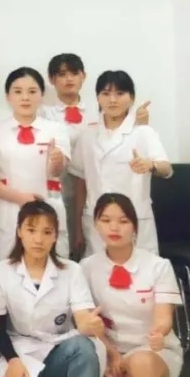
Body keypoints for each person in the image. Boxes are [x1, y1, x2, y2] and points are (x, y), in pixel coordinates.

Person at [0, 200, 103, 377]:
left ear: (55, 237)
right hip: (19, 350)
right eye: (31, 230)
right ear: (19, 231)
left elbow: (82, 315)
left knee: (84, 347)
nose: (38, 239)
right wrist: (13, 359)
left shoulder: (71, 270)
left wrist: (89, 324)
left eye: (47, 232)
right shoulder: (0, 272)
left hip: (57, 348)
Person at [81, 193, 183, 377]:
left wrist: (159, 334)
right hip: (112, 353)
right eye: (106, 220)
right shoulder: (87, 267)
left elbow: (164, 317)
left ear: (135, 226)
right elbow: (89, 321)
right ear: (96, 224)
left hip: (151, 351)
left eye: (123, 221)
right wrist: (112, 354)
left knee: (141, 366)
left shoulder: (158, 266)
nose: (114, 227)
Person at [41, 55, 151, 257]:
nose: (69, 79)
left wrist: (141, 123)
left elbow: (128, 140)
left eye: (74, 73)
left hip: (91, 193)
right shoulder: (44, 114)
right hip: (57, 191)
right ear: (51, 79)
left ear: (84, 76)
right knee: (60, 250)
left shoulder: (100, 108)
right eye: (62, 74)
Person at [69, 70, 171, 259]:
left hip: (135, 218)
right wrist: (77, 228)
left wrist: (150, 165)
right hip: (97, 219)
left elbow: (167, 169)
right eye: (106, 93)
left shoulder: (143, 132)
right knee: (99, 271)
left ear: (131, 98)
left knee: (140, 272)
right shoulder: (87, 136)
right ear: (98, 98)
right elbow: (80, 183)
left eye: (120, 93)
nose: (112, 100)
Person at [0, 67, 71, 264]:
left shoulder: (56, 129)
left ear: (42, 95)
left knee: (52, 268)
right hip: (8, 209)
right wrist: (20, 198)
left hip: (47, 205)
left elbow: (58, 171)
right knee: (6, 269)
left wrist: (56, 161)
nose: (25, 97)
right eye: (18, 91)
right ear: (7, 96)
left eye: (32, 91)